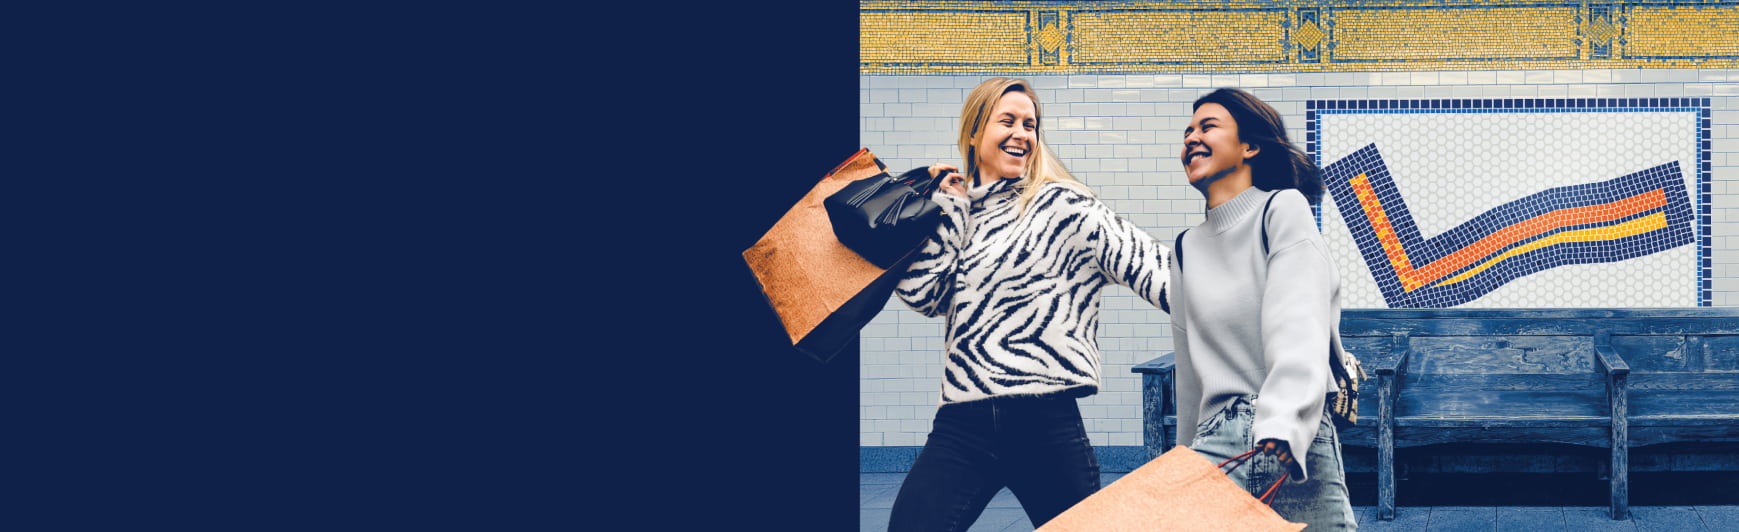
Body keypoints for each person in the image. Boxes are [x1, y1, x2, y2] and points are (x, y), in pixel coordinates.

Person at [886, 77, 1173, 532]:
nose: (1022, 133)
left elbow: (1160, 273)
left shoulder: (1064, 205)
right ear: (974, 131)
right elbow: (924, 295)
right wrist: (950, 209)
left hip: (1045, 422)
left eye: (1031, 124)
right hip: (963, 423)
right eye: (1008, 121)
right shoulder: (962, 212)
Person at [1169, 87, 1357, 529]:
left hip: (1291, 438)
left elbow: (1298, 318)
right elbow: (1189, 364)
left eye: (1208, 127)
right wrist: (1181, 460)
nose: (1191, 138)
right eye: (1187, 131)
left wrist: (1282, 422)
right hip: (1215, 442)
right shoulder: (1185, 247)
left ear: (1249, 146)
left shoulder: (1282, 209)